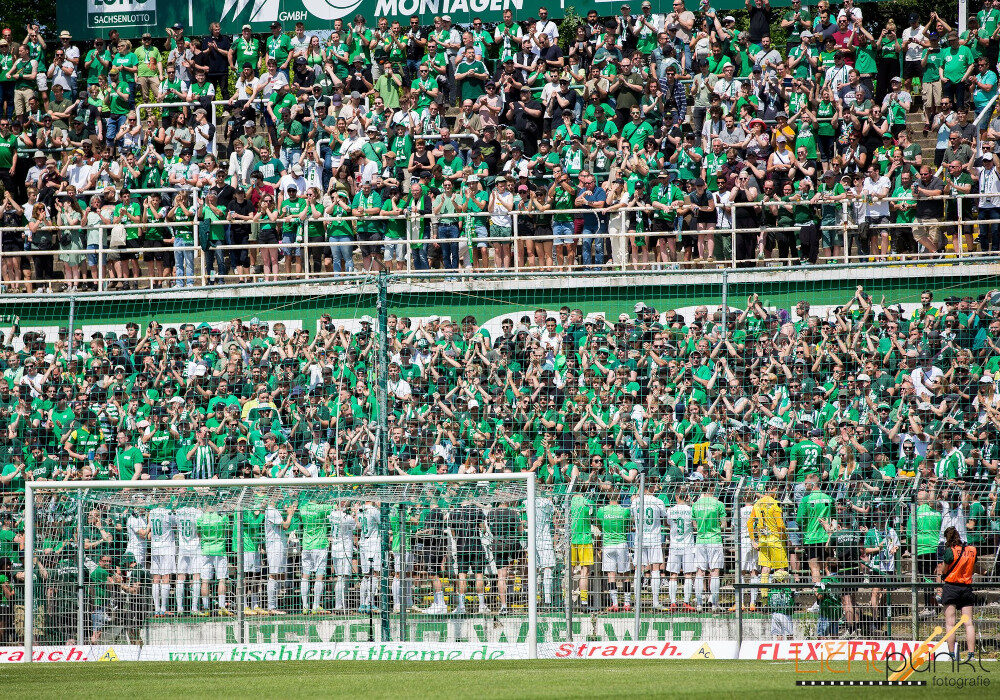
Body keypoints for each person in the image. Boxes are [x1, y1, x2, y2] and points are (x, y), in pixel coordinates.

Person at [938, 525, 979, 662]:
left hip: (951, 587)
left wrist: (943, 572)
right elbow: (974, 566)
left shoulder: (950, 551)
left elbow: (944, 569)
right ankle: (971, 654)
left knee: (950, 623)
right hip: (966, 587)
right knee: (969, 623)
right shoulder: (972, 550)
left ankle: (952, 655)